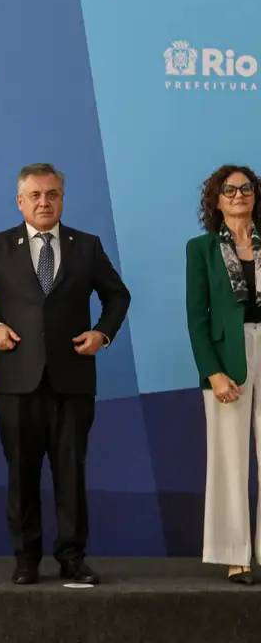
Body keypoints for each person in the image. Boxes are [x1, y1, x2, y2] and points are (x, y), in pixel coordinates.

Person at [0, 163, 129, 585]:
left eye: (51, 194)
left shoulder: (86, 246)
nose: (44, 202)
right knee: (21, 473)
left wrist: (102, 334)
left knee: (71, 473)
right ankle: (26, 559)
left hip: (73, 380)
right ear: (20, 201)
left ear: (62, 199)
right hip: (17, 381)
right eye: (35, 195)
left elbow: (117, 296)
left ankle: (72, 558)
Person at [185, 164, 261, 585]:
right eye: (228, 190)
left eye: (246, 188)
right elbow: (196, 318)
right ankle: (236, 555)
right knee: (230, 458)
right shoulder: (201, 249)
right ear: (215, 200)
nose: (238, 195)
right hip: (226, 357)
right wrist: (212, 371)